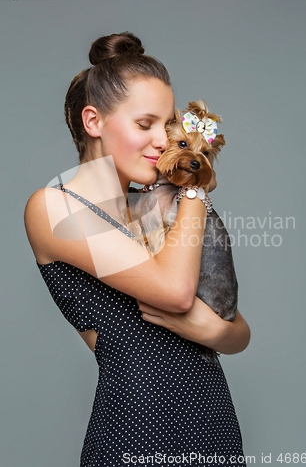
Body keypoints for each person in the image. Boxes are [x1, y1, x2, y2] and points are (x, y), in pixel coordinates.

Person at [24, 32, 250, 466]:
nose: (165, 142)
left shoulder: (151, 208)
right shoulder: (54, 206)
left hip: (213, 422)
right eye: (145, 125)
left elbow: (237, 330)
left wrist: (215, 332)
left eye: (168, 127)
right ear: (93, 122)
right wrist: (196, 190)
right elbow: (176, 291)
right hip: (138, 428)